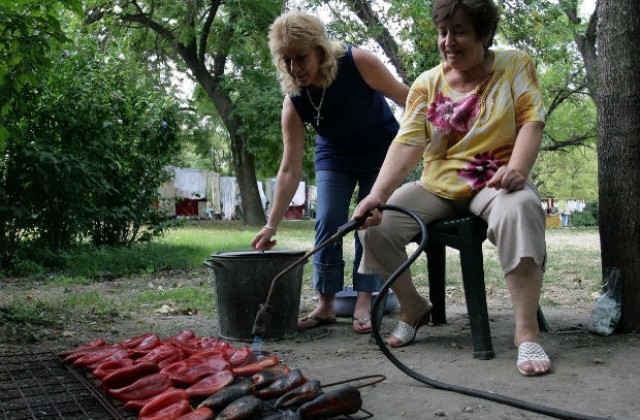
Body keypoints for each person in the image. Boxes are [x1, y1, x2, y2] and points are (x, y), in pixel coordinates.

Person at [353, 0, 551, 376]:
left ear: (485, 35)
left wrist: (519, 170)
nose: (449, 41)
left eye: (460, 31)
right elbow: (407, 143)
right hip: (437, 184)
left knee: (521, 209)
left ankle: (527, 333)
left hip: (496, 178)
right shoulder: (427, 84)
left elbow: (531, 121)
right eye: (443, 32)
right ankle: (413, 308)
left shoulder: (514, 65)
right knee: (374, 225)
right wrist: (377, 195)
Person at [251, 11, 409, 334]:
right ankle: (325, 304)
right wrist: (271, 223)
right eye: (287, 60)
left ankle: (365, 299)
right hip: (335, 153)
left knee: (369, 221)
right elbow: (289, 167)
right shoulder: (294, 101)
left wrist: (425, 140)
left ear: (320, 51)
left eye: (301, 58)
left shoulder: (358, 62)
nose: (294, 68)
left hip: (380, 149)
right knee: (327, 217)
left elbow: (408, 99)